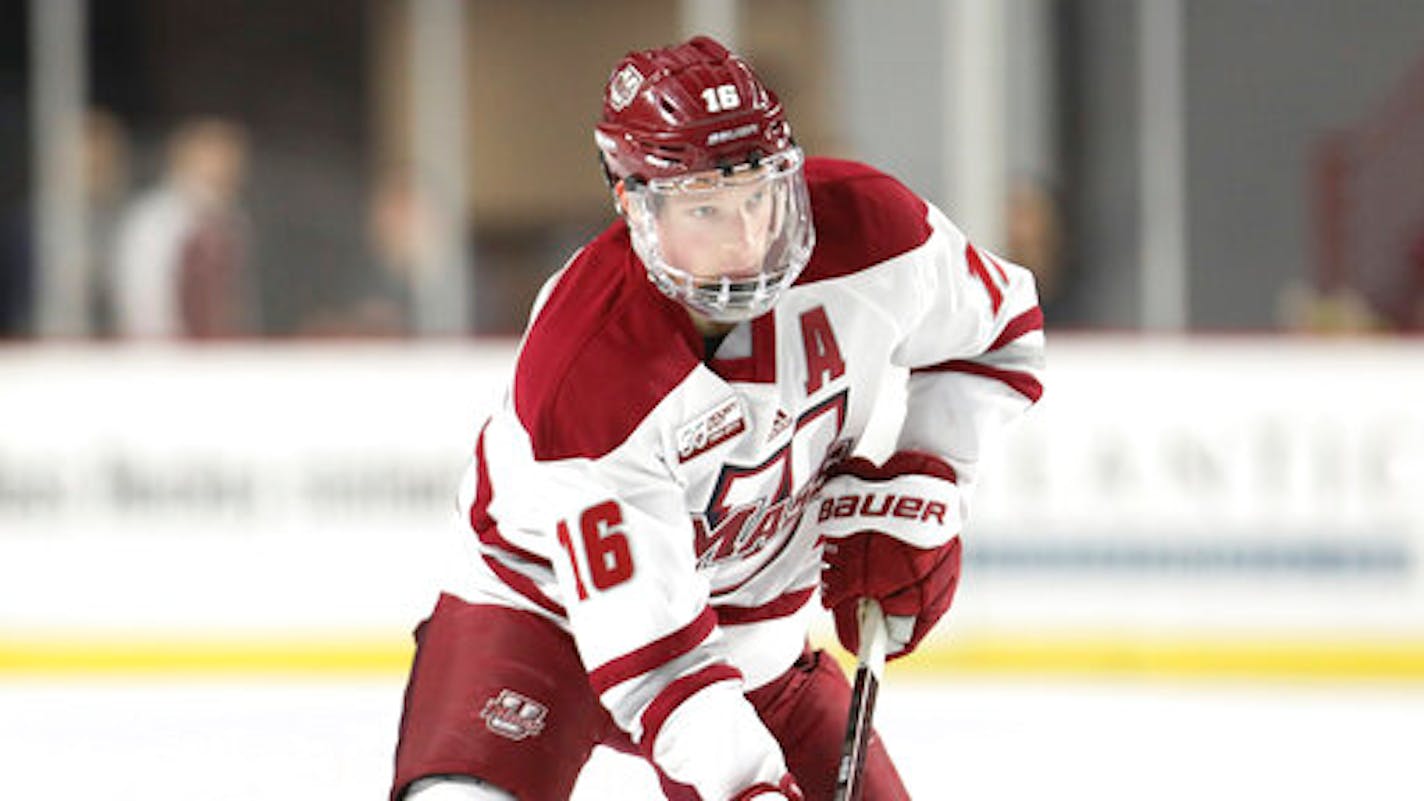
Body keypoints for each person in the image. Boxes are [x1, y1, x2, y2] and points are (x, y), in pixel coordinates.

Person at [391, 36, 1045, 801]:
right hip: (540, 617)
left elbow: (998, 333)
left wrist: (928, 471)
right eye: (705, 207)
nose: (745, 241)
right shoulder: (585, 370)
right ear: (632, 202)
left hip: (753, 636)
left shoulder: (875, 234)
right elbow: (657, 661)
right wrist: (748, 789)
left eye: (758, 196)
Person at [112, 116, 256, 339]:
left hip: (221, 357)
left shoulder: (232, 221)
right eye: (213, 155)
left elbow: (237, 300)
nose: (225, 166)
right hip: (169, 358)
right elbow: (144, 296)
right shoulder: (155, 221)